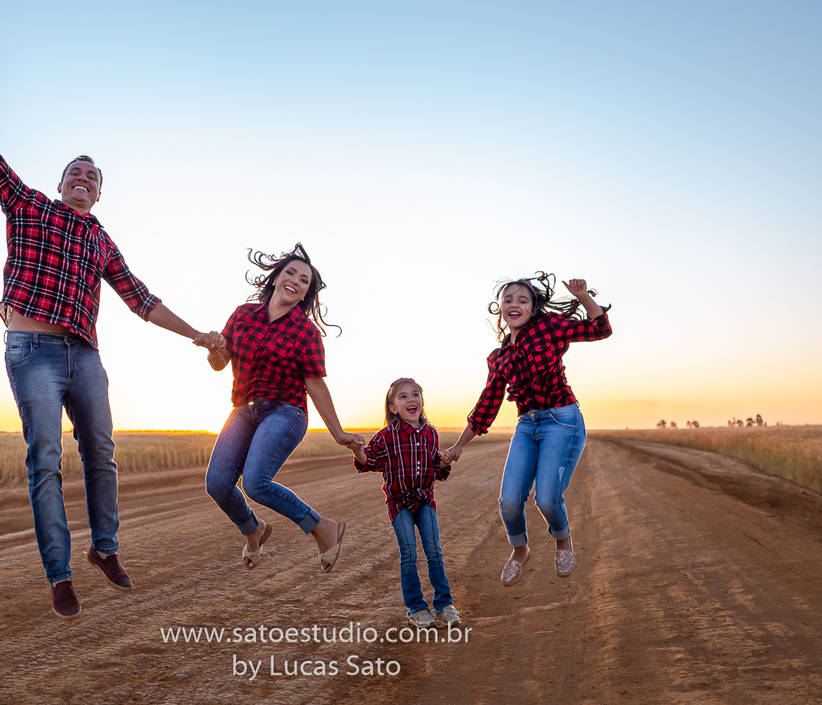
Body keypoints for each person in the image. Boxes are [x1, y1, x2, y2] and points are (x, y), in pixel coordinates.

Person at [0, 34, 219, 621]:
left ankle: (106, 549)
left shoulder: (101, 240)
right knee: (44, 456)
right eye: (76, 172)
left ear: (100, 194)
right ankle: (60, 574)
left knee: (100, 451)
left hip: (86, 357)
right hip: (32, 351)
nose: (83, 179)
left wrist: (200, 334)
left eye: (93, 178)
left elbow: (142, 301)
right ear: (61, 182)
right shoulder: (27, 206)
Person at [441, 273, 611, 587]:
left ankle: (562, 540)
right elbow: (487, 405)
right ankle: (520, 550)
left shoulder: (549, 327)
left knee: (547, 499)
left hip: (561, 420)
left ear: (534, 308)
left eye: (523, 300)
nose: (514, 304)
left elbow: (600, 328)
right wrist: (460, 445)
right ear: (500, 308)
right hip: (527, 425)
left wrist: (584, 296)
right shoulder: (500, 357)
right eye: (508, 300)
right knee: (508, 500)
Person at [202, 243, 363, 572]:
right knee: (217, 484)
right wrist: (214, 349)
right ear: (275, 278)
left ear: (306, 293)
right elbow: (220, 363)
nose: (296, 281)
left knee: (256, 482)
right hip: (243, 410)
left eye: (304, 280)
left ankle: (323, 528)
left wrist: (338, 432)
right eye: (290, 272)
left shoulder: (306, 333)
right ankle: (254, 530)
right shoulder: (243, 315)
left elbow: (315, 384)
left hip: (285, 411)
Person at [351, 378, 460, 629]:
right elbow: (369, 461)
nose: (411, 400)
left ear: (422, 401)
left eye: (415, 394)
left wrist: (446, 460)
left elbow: (435, 466)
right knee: (409, 551)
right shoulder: (386, 436)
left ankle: (444, 605)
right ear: (393, 408)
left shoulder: (431, 433)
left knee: (434, 550)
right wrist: (357, 451)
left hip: (424, 500)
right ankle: (416, 608)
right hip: (398, 503)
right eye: (403, 397)